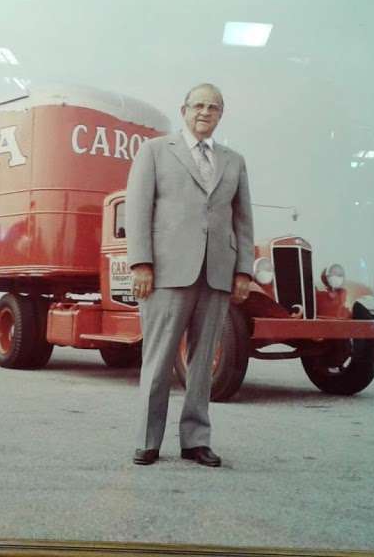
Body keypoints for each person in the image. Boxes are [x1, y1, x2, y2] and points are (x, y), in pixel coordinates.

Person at [125, 83, 254, 467]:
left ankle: (195, 440)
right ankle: (148, 439)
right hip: (166, 272)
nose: (205, 112)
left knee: (202, 364)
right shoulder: (154, 152)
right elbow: (137, 211)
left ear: (220, 115)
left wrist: (243, 270)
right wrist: (141, 264)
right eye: (198, 105)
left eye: (213, 107)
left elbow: (243, 221)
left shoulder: (234, 161)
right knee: (159, 357)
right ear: (184, 110)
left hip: (216, 274)